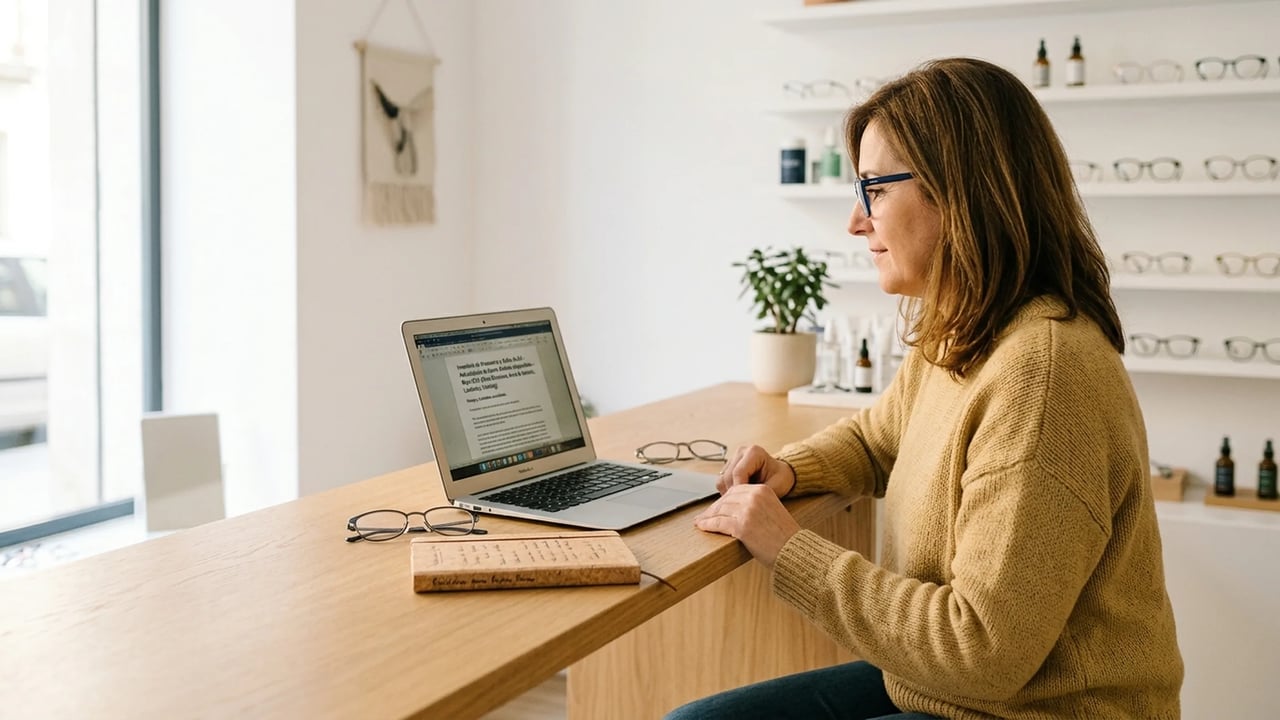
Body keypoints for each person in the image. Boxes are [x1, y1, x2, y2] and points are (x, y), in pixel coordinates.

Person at [667, 58, 1183, 720]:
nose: (857, 224)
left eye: (874, 190)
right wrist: (793, 469)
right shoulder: (967, 328)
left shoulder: (1042, 376)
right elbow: (881, 435)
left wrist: (790, 550)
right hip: (949, 690)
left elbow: (981, 650)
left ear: (959, 191)